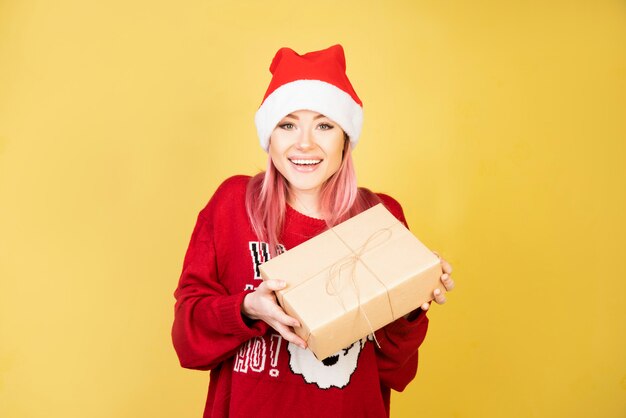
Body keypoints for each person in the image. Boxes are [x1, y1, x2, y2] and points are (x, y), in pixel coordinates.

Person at [172, 44, 455, 418]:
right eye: (288, 124)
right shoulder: (232, 204)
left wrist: (410, 305)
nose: (304, 144)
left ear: (345, 139)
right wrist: (246, 309)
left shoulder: (378, 218)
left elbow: (393, 371)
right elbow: (188, 342)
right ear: (269, 136)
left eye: (324, 125)